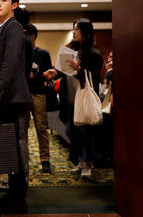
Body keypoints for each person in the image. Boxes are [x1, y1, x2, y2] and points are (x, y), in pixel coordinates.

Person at [0, 0, 31, 210]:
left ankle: (17, 199)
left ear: (14, 5)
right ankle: (14, 196)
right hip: (9, 97)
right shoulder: (3, 28)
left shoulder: (13, 28)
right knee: (11, 147)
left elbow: (10, 64)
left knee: (14, 147)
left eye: (3, 0)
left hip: (12, 98)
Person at [44, 18, 103, 179]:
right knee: (70, 130)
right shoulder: (69, 50)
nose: (74, 32)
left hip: (83, 99)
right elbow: (63, 71)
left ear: (85, 31)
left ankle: (87, 164)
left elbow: (94, 77)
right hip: (69, 98)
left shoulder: (94, 53)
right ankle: (81, 160)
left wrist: (79, 70)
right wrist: (54, 73)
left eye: (77, 29)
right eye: (73, 29)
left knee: (86, 133)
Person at [24, 24, 53, 173]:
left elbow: (49, 76)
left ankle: (45, 160)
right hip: (22, 93)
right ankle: (24, 160)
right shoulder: (20, 53)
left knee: (41, 127)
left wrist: (35, 75)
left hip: (38, 93)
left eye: (26, 35)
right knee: (23, 129)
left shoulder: (43, 54)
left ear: (33, 36)